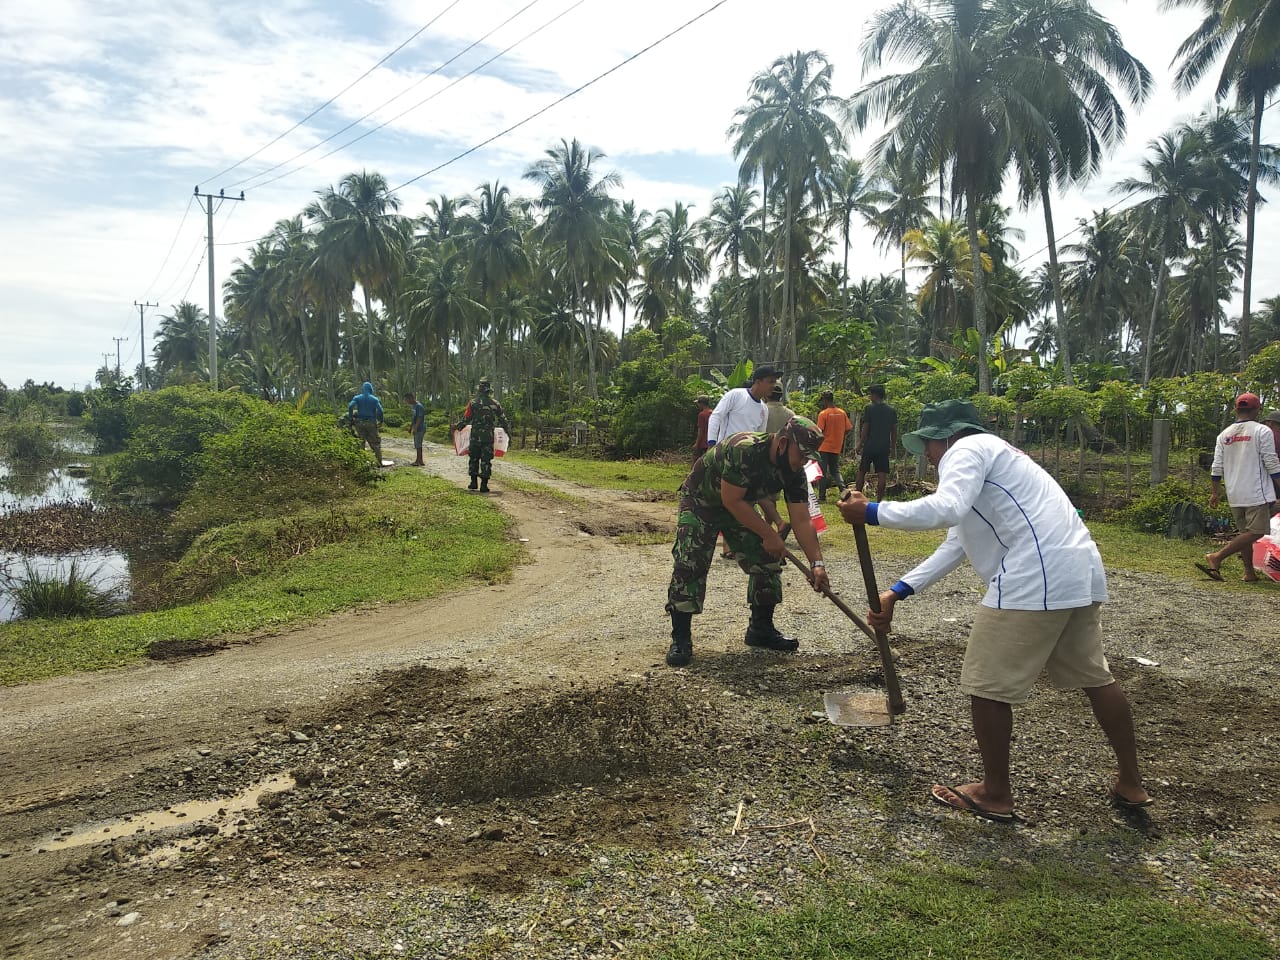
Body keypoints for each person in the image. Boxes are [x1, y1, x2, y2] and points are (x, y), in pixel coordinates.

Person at [836, 398, 1149, 823]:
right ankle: (1131, 782)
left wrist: (870, 511)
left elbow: (945, 509)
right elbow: (957, 540)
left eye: (928, 443)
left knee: (985, 685)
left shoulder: (967, 450)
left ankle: (995, 793)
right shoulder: (1001, 457)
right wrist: (898, 592)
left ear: (947, 436)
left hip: (1033, 577)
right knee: (1096, 678)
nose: (927, 454)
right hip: (1078, 572)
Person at [665, 415, 830, 668]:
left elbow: (802, 519)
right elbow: (731, 500)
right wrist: (769, 534)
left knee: (767, 558)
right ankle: (681, 639)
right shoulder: (745, 449)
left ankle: (760, 630)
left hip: (740, 504)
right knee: (691, 561)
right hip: (702, 501)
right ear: (783, 443)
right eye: (802, 454)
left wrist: (817, 563)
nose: (804, 462)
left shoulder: (795, 472)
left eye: (809, 457)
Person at [1199, 393, 1280, 582]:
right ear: (1257, 409)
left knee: (1246, 534)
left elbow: (1216, 467)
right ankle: (1217, 556)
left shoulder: (1224, 434)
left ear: (1236, 409)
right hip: (1256, 492)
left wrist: (1215, 493)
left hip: (1234, 492)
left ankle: (1249, 573)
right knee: (1257, 532)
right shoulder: (1262, 431)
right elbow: (1272, 463)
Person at [706, 364, 781, 559]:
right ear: (758, 381)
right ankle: (727, 546)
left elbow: (761, 436)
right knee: (726, 501)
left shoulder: (764, 409)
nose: (773, 386)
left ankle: (738, 546)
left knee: (743, 501)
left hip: (747, 462)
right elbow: (716, 416)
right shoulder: (736, 395)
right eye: (770, 382)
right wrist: (712, 445)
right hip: (726, 457)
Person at [455, 376, 510, 493]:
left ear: (479, 390)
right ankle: (484, 485)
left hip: (475, 436)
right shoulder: (495, 404)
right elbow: (503, 419)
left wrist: (458, 427)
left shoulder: (473, 403)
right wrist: (507, 431)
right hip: (488, 437)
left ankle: (473, 482)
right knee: (486, 460)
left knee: (474, 458)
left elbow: (466, 418)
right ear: (488, 391)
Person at [854, 384, 897, 501]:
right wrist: (893, 447)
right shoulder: (891, 411)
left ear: (875, 395)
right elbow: (894, 431)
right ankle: (879, 501)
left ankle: (857, 497)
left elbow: (865, 428)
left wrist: (860, 444)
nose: (869, 397)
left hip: (870, 445)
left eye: (870, 394)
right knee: (882, 474)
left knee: (862, 471)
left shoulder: (869, 409)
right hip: (884, 446)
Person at [815, 390, 853, 501]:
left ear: (825, 400)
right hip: (836, 446)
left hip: (824, 446)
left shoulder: (823, 414)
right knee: (835, 471)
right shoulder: (842, 413)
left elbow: (819, 432)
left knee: (822, 472)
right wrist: (840, 436)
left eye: (822, 401)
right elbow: (848, 428)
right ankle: (843, 491)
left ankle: (822, 497)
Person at [347, 381, 385, 466]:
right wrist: (381, 420)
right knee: (375, 443)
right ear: (371, 389)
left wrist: (351, 418)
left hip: (360, 423)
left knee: (361, 442)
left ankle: (361, 463)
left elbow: (350, 406)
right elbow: (381, 411)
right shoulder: (374, 399)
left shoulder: (357, 398)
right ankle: (379, 462)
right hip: (371, 423)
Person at [405, 392, 426, 467]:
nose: (407, 401)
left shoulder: (419, 406)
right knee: (417, 444)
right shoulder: (414, 407)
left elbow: (420, 418)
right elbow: (414, 418)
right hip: (416, 427)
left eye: (407, 399)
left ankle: (420, 461)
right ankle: (418, 460)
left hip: (420, 428)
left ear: (411, 398)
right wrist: (411, 427)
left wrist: (415, 428)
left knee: (418, 444)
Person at [693, 396, 713, 462]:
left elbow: (700, 431)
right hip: (713, 441)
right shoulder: (713, 413)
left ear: (701, 403)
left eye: (698, 403)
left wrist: (697, 443)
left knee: (698, 461)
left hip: (703, 443)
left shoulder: (702, 414)